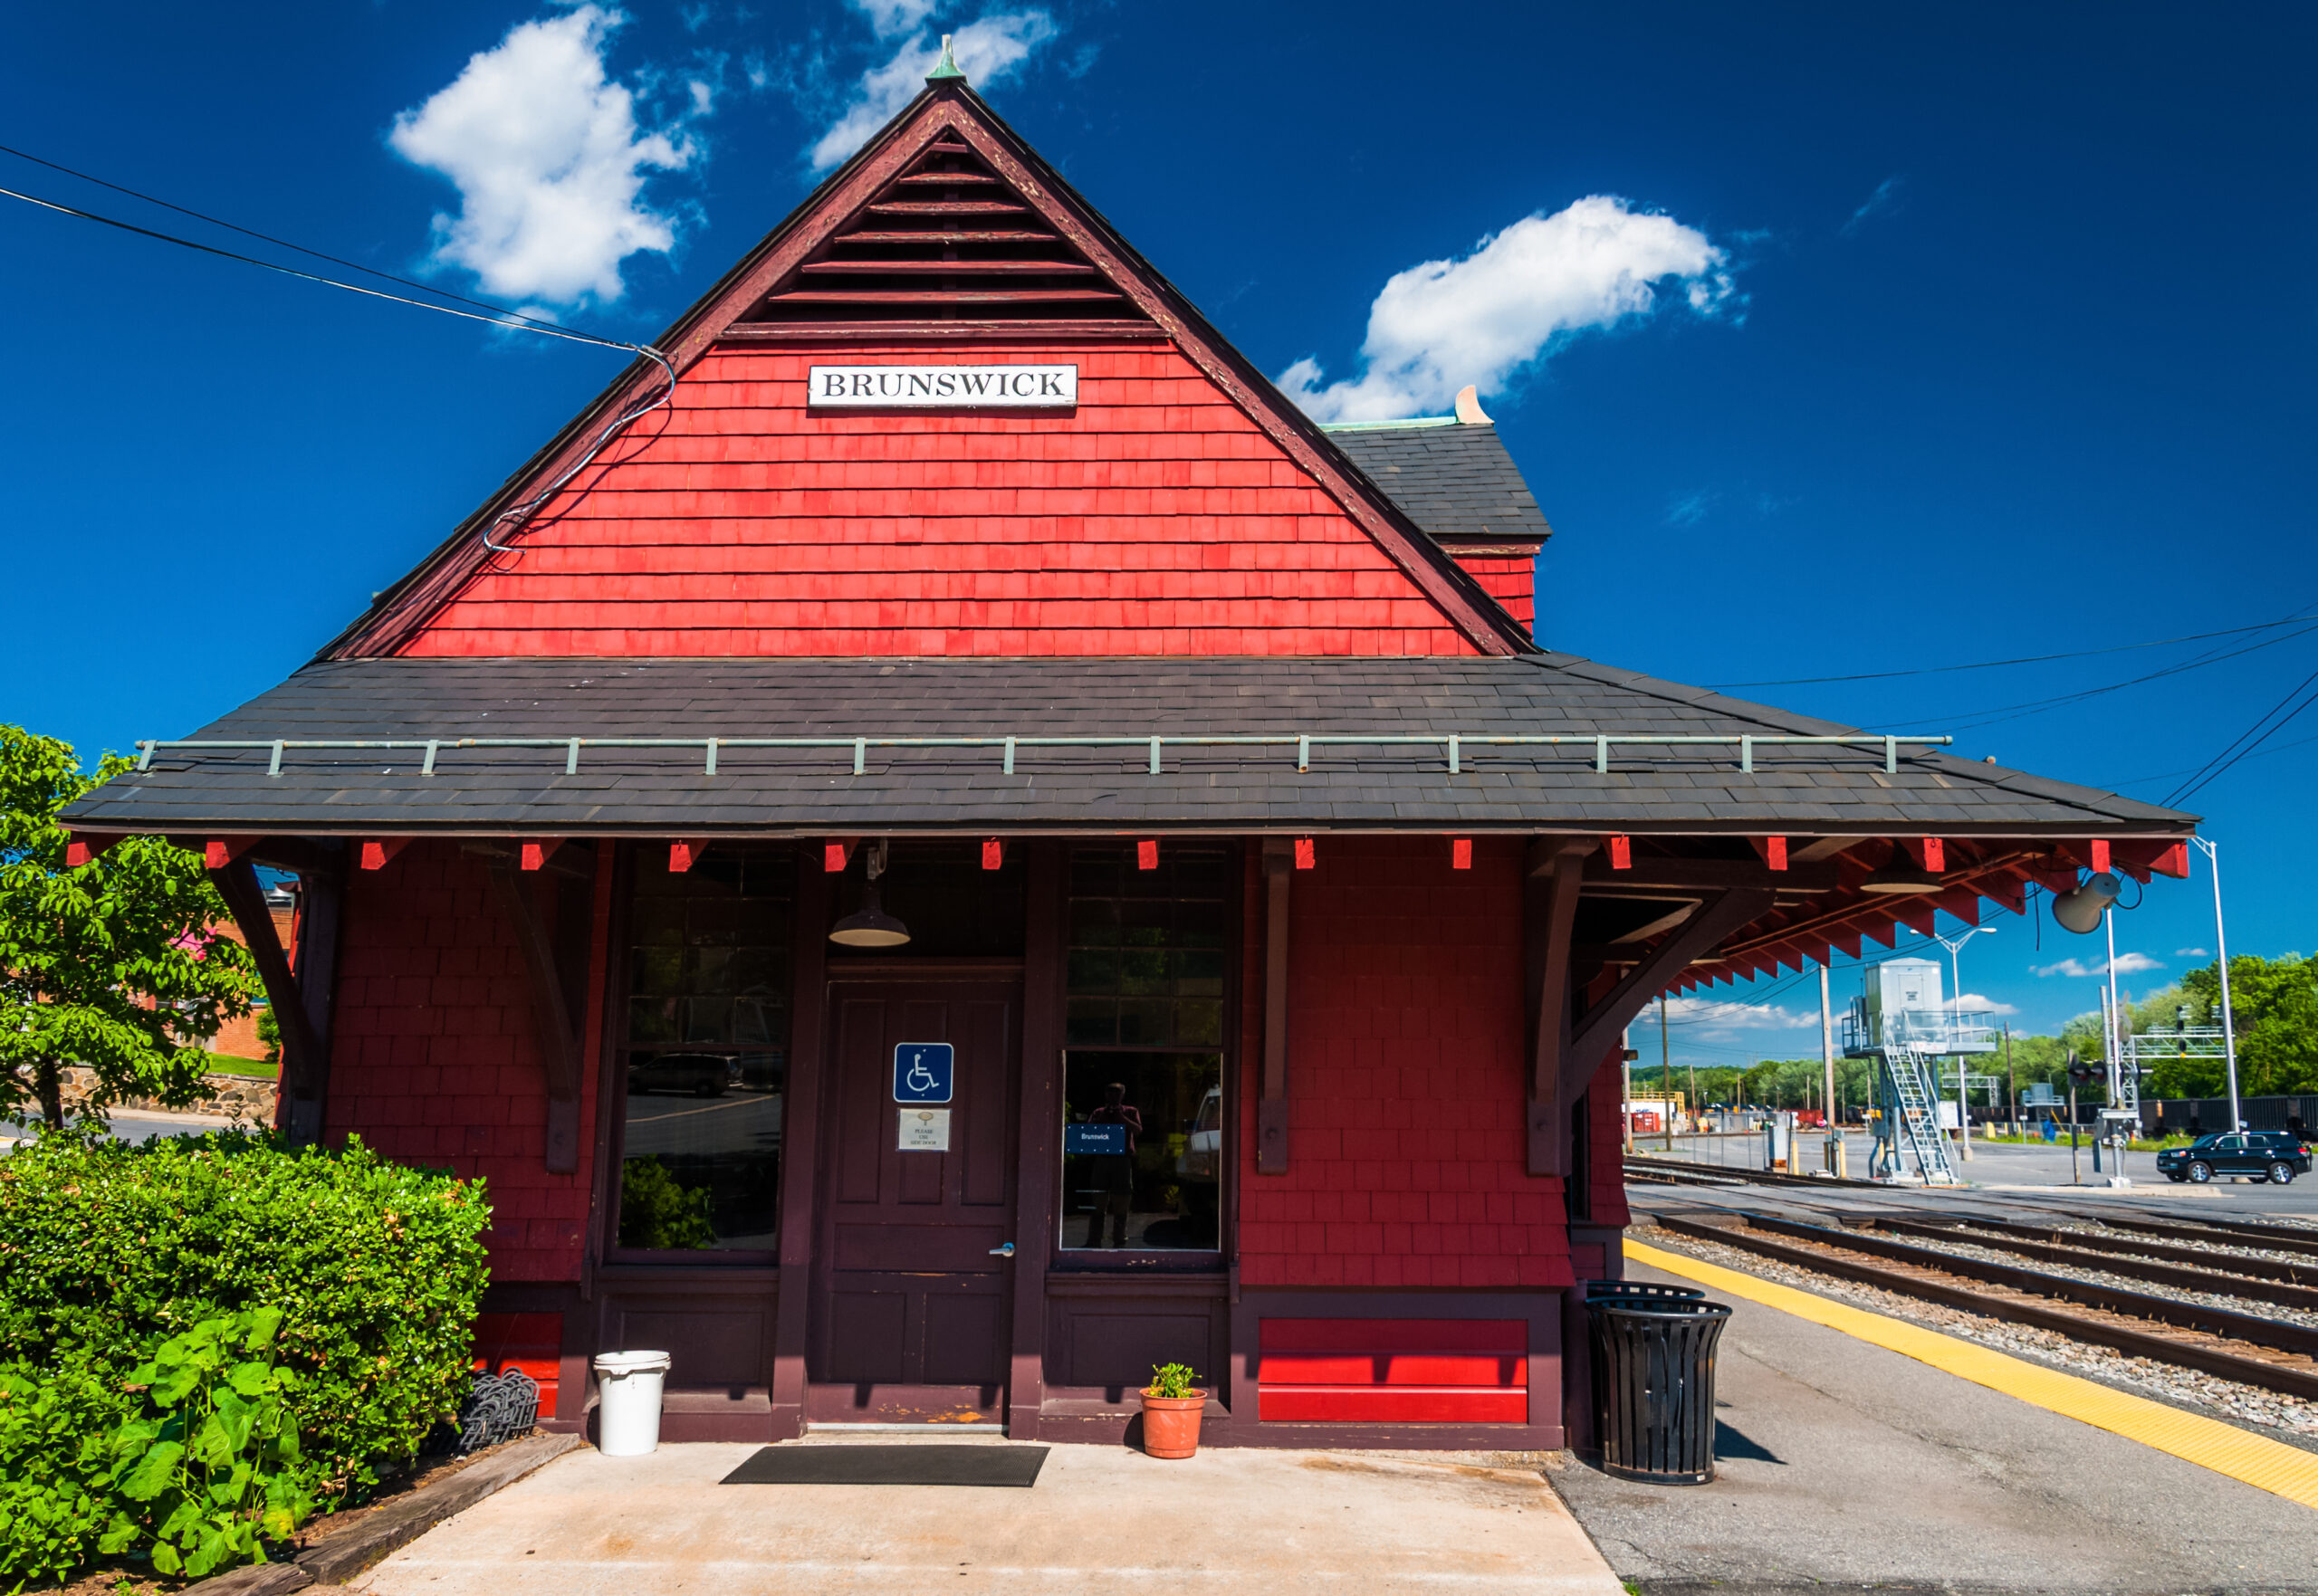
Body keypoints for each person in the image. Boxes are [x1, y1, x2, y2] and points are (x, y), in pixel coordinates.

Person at [1084, 1082, 1143, 1248]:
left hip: (1122, 1159)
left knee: (1122, 1198)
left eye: (1117, 1093)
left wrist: (1121, 1118)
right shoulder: (1098, 1112)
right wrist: (1104, 1117)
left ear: (1122, 1095)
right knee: (1098, 1200)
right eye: (1110, 1093)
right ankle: (1094, 1239)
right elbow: (1087, 1131)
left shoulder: (1131, 1111)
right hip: (1102, 1158)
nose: (1113, 1096)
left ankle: (1119, 1237)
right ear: (1105, 1095)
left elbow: (1138, 1131)